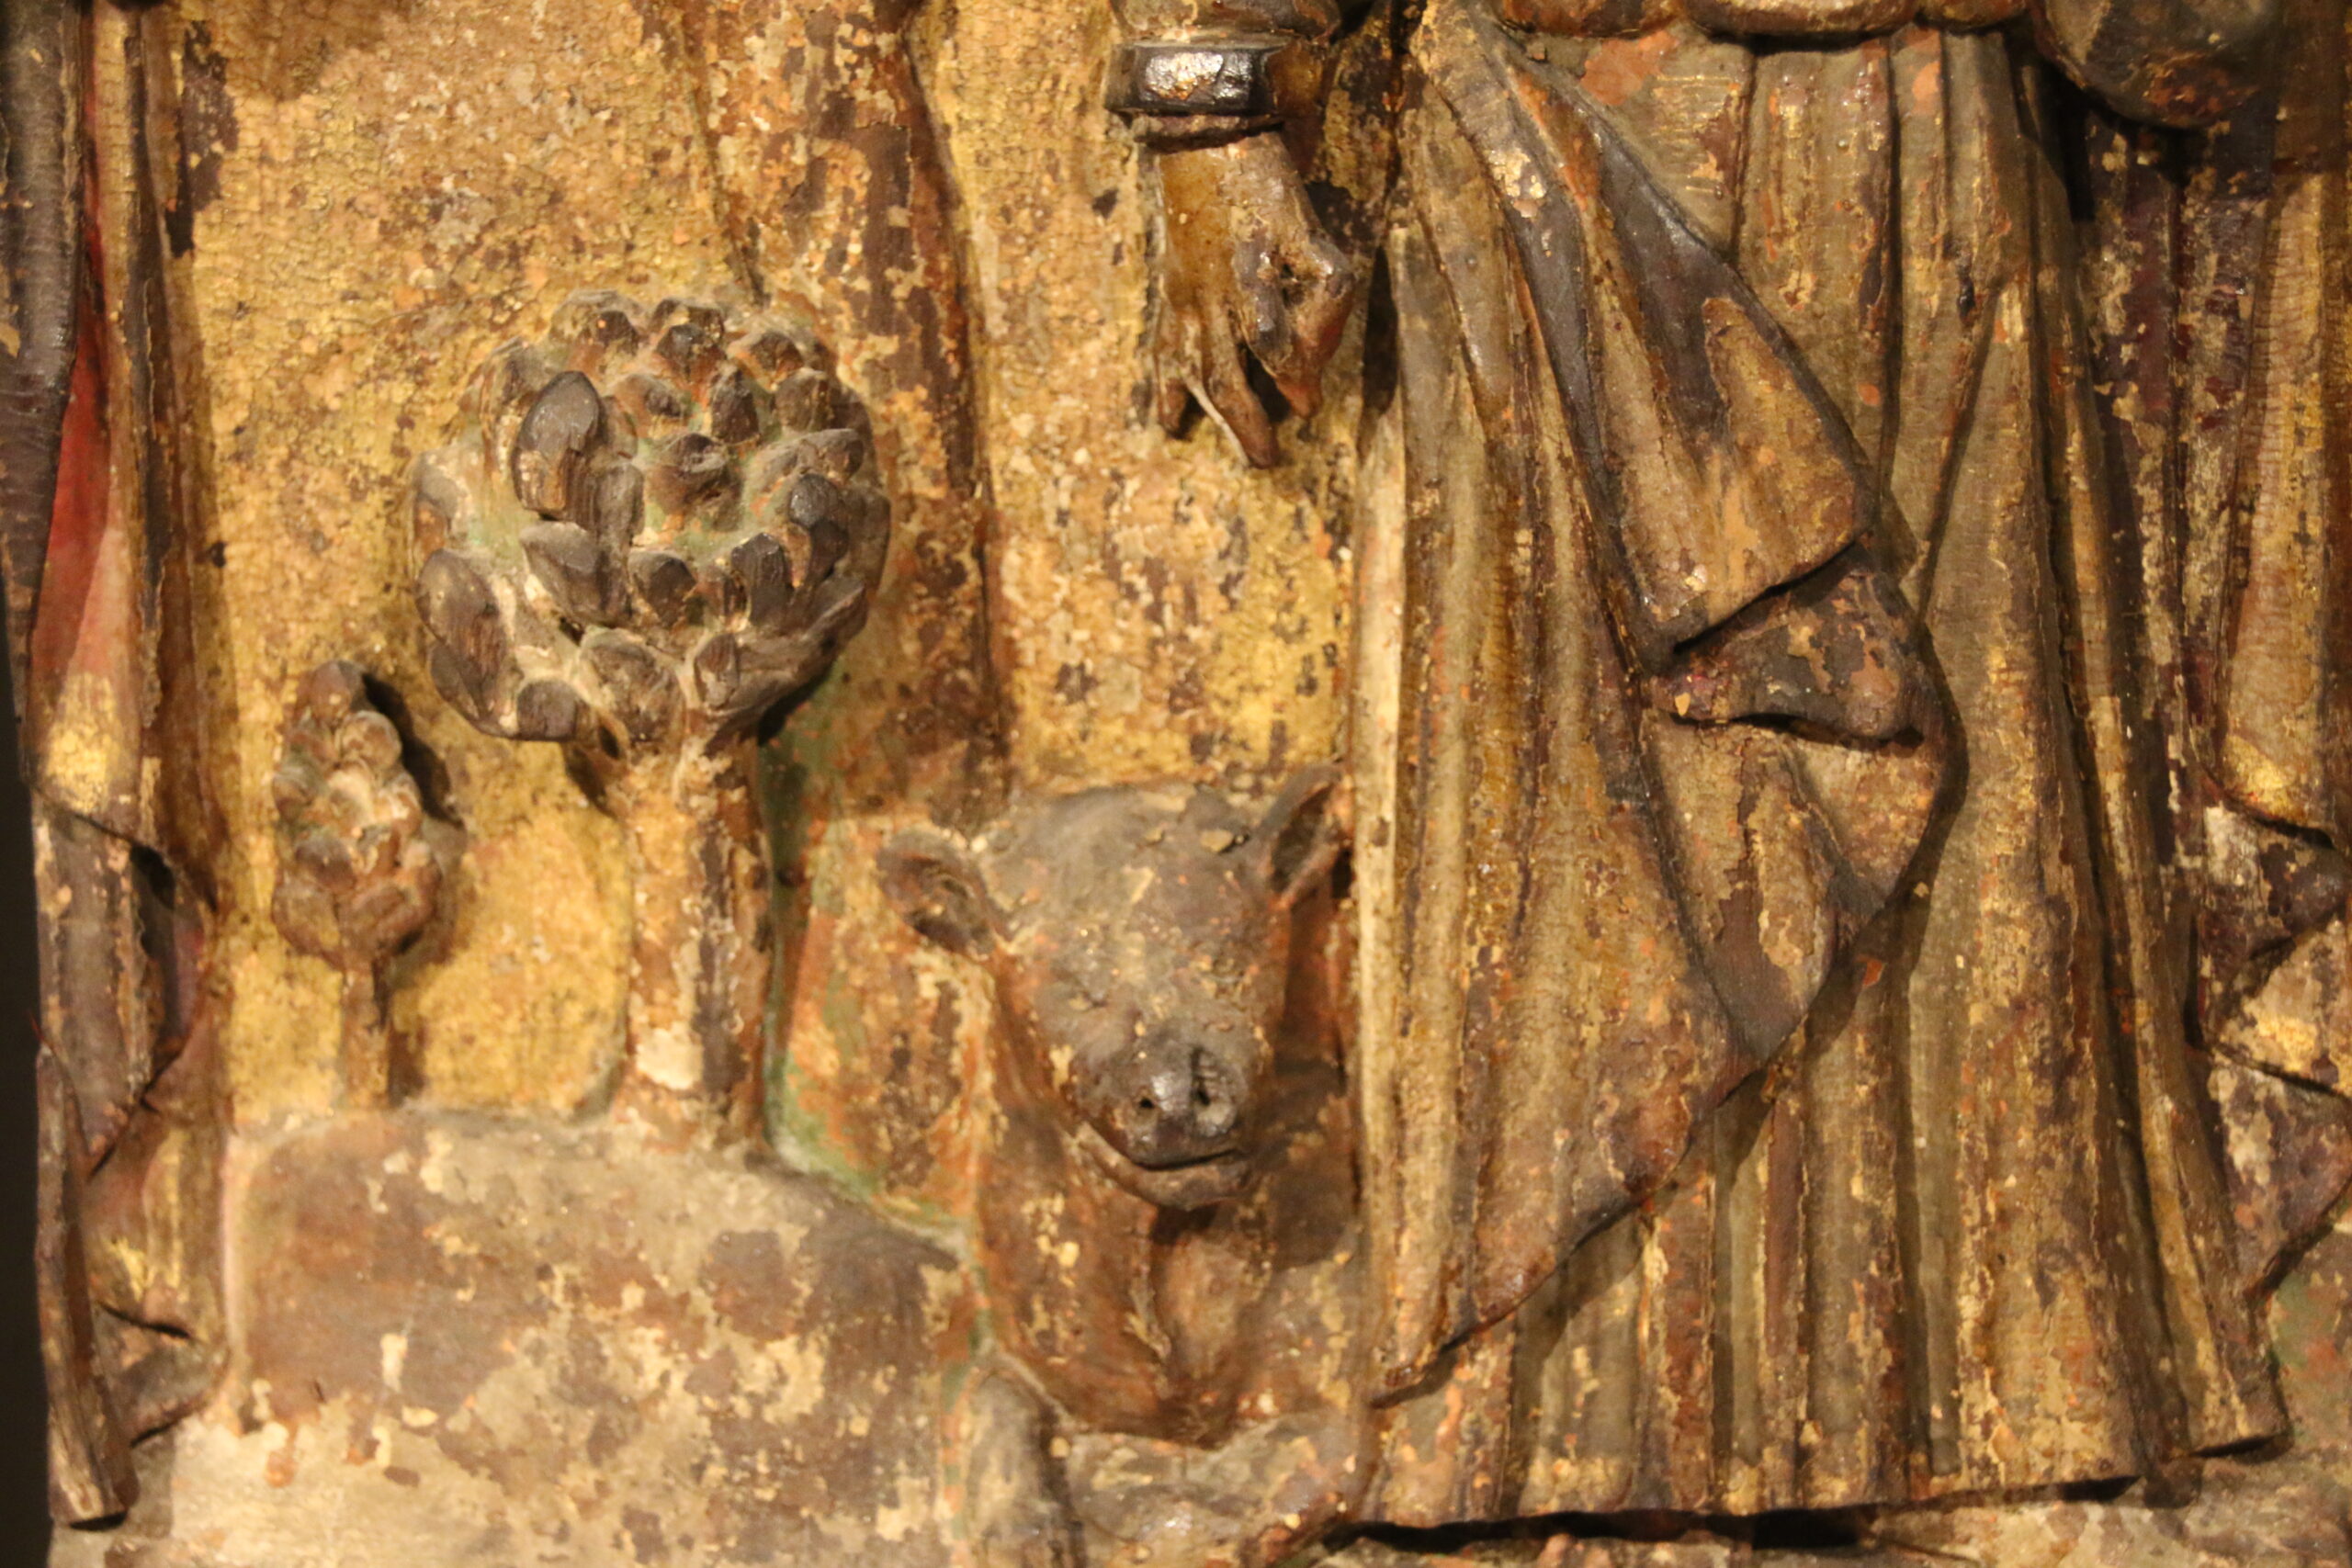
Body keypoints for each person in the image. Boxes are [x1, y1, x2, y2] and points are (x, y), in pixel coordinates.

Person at [1108, 0, 2285, 1519]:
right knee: (1564, 868)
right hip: (1547, 150)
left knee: (1961, 846)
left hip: (1912, 130)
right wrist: (1208, 103)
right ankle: (1539, 1438)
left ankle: (1991, 1421)